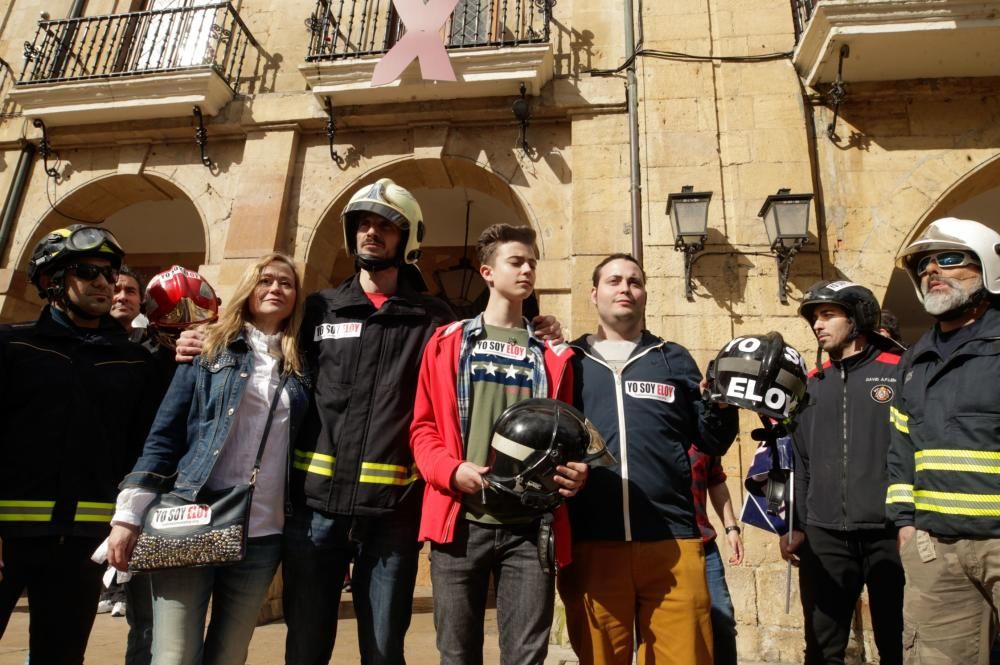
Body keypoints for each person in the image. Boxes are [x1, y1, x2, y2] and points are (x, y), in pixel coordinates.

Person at [172, 179, 562, 665]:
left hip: (392, 515)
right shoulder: (318, 309)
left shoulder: (434, 320)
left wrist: (542, 327)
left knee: (383, 650)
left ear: (408, 239)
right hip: (314, 511)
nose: (370, 233)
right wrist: (202, 338)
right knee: (306, 646)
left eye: (384, 225)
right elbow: (260, 343)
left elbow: (494, 332)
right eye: (362, 224)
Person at [106, 253, 311, 665]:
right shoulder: (208, 346)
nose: (275, 289)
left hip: (262, 531)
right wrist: (127, 517)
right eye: (265, 280)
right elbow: (164, 435)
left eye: (286, 283)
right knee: (174, 654)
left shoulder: (302, 365)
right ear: (248, 291)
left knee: (230, 655)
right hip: (190, 515)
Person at [410, 223, 587, 664]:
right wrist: (450, 471)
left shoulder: (552, 354)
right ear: (487, 272)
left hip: (530, 528)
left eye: (532, 262)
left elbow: (564, 435)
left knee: (526, 657)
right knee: (456, 654)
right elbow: (422, 428)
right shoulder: (446, 343)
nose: (527, 269)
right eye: (516, 261)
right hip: (460, 522)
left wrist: (577, 469)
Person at [558, 253, 740, 665]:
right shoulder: (569, 363)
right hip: (593, 542)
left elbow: (711, 440)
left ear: (645, 295)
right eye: (614, 281)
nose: (625, 288)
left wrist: (723, 404)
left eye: (635, 282)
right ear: (594, 293)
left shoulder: (671, 357)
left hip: (672, 541)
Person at [0, 225, 163, 665]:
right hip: (6, 540)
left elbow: (147, 448)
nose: (103, 283)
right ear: (51, 280)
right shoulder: (13, 346)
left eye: (110, 274)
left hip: (81, 546)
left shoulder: (137, 363)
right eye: (88, 271)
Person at [886, 217, 1000, 665]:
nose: (932, 271)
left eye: (949, 259)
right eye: (924, 267)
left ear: (989, 267)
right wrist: (906, 527)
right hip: (934, 551)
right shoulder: (915, 360)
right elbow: (900, 448)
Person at [782, 280, 905, 665]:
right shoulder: (810, 385)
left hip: (890, 534)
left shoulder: (901, 371)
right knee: (822, 649)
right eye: (815, 317)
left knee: (898, 643)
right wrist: (795, 524)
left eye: (828, 315)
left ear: (857, 319)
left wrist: (911, 522)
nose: (818, 325)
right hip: (825, 536)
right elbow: (798, 461)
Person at [689, 449, 743, 665]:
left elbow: (716, 480)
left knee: (722, 621)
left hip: (703, 545)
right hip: (661, 546)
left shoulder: (702, 438)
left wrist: (731, 528)